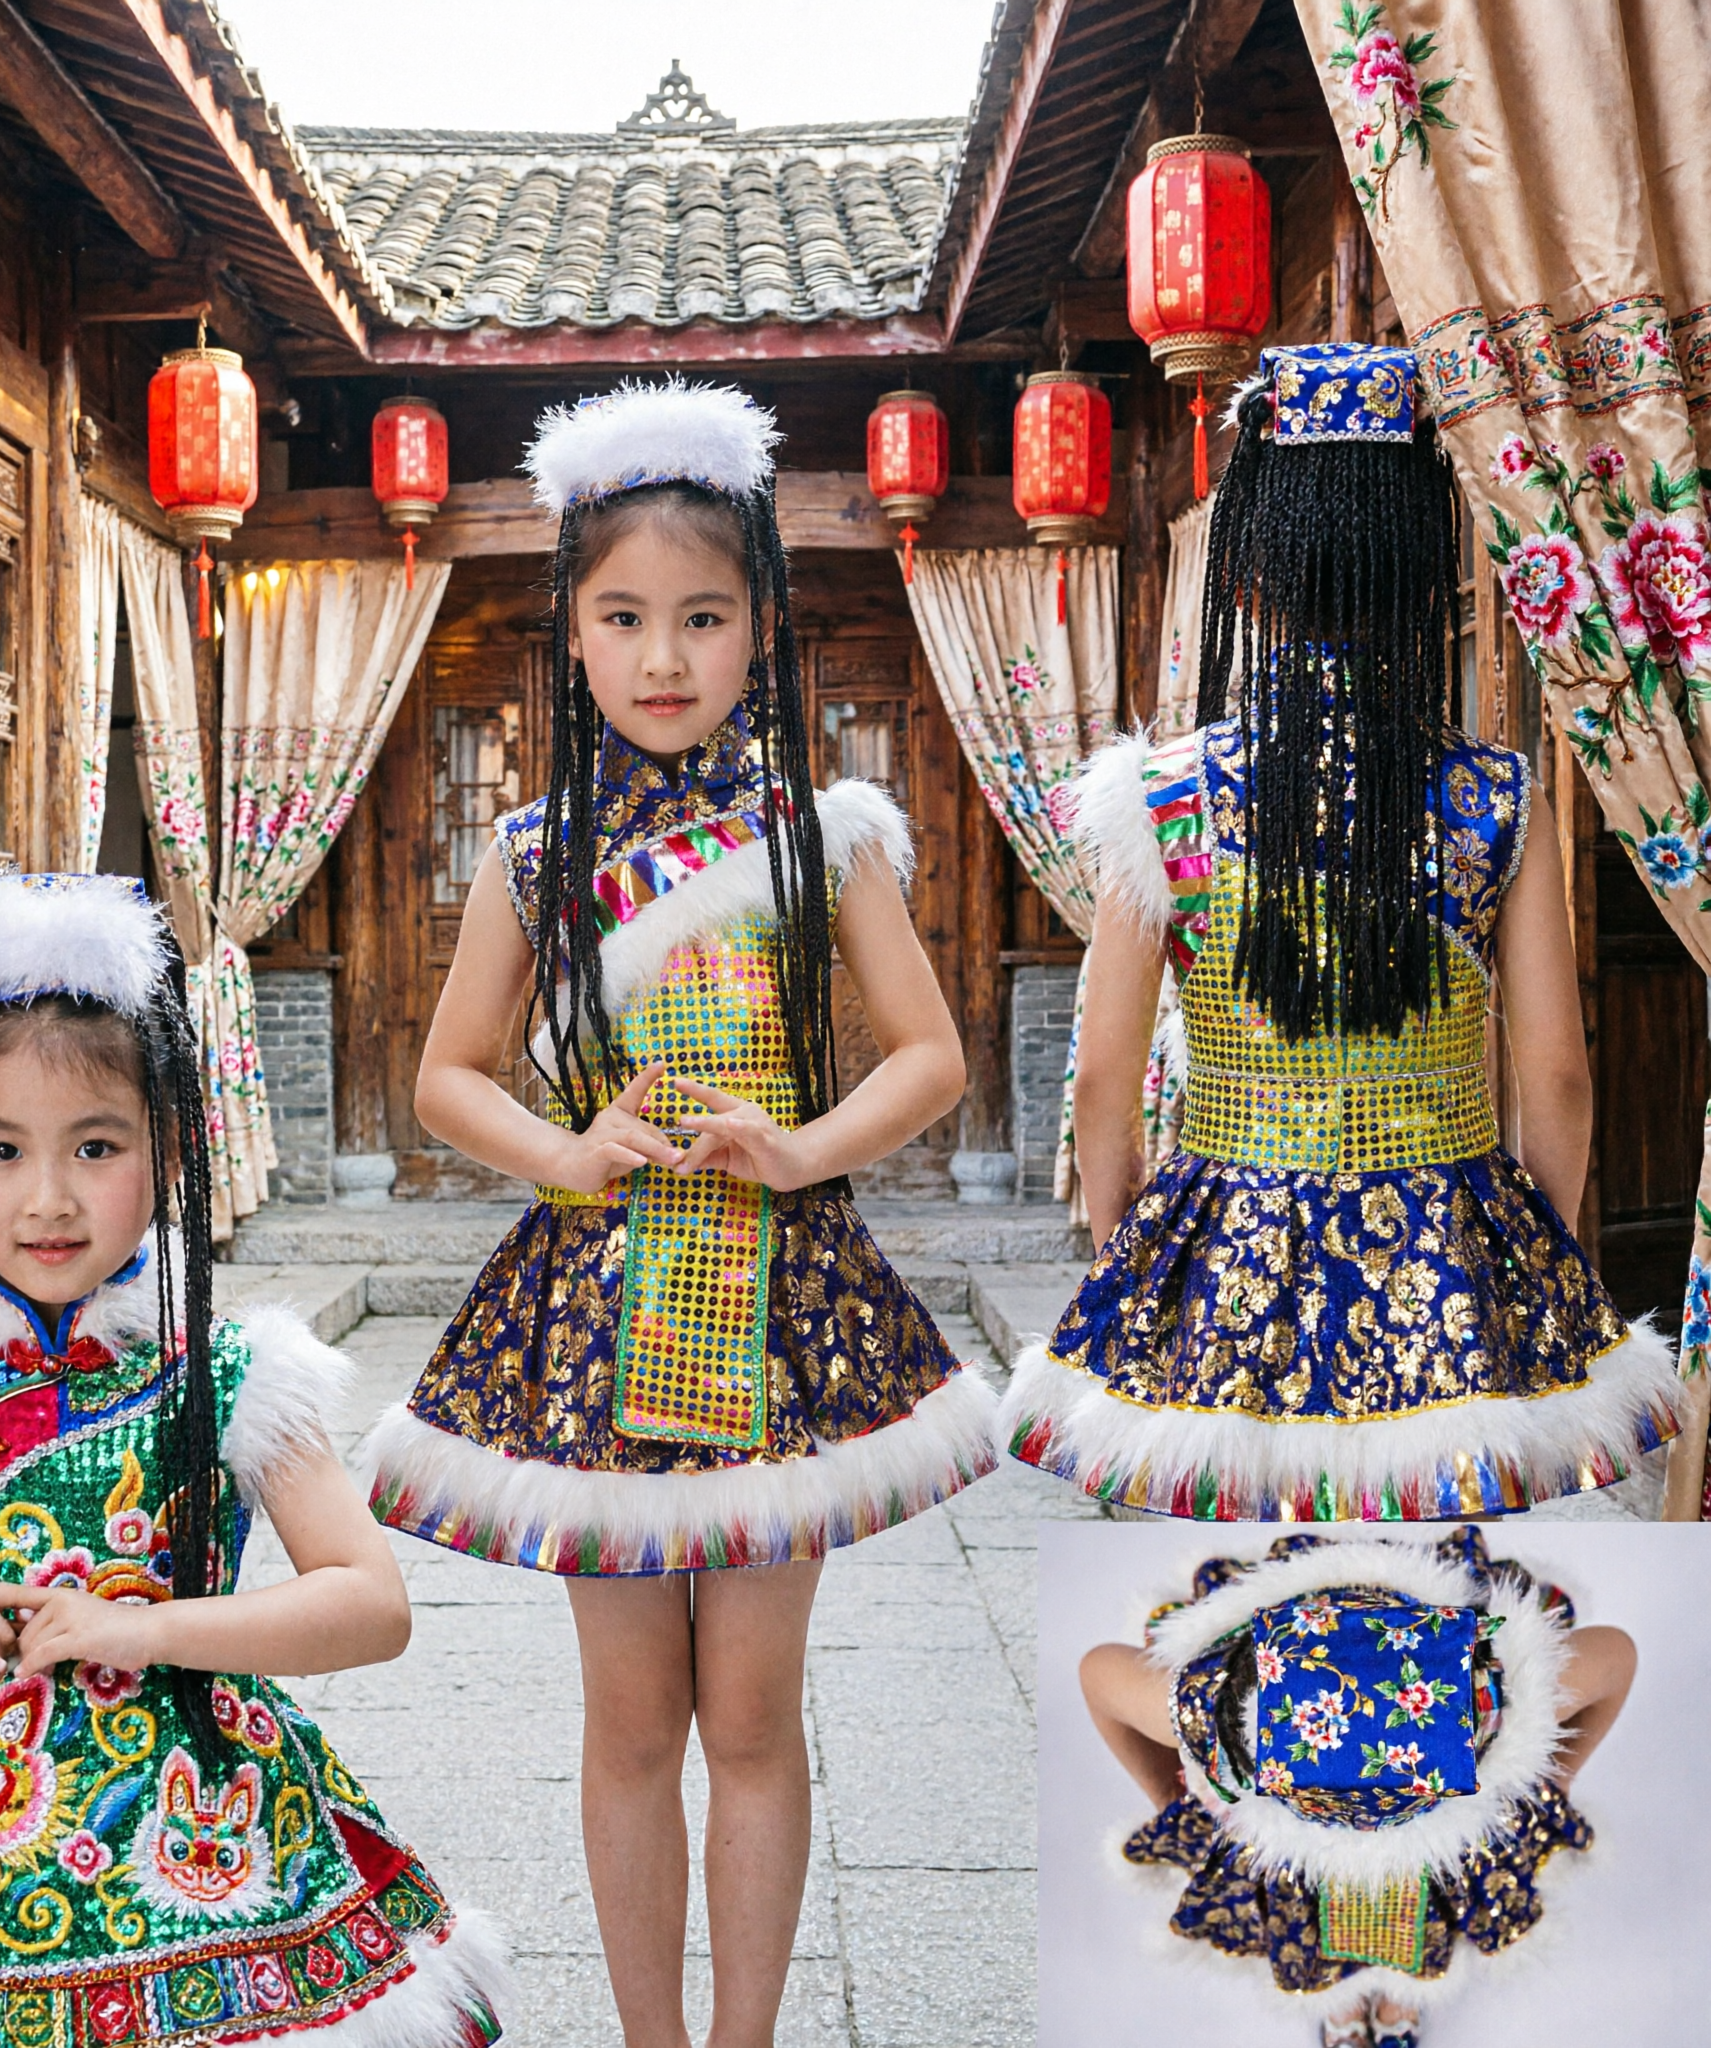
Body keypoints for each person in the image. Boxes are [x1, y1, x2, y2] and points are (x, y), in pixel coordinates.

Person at [363, 380, 994, 2048]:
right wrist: (567, 1156)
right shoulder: (528, 849)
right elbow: (450, 1076)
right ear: (567, 634)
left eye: (701, 618)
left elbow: (927, 1055)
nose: (662, 657)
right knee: (631, 1715)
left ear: (757, 633)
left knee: (753, 1714)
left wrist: (796, 1150)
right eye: (623, 616)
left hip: (775, 1301)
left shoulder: (818, 837)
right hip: (595, 1308)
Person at [0, 873, 507, 2048]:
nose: (48, 1198)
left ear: (168, 1151)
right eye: (0, 1147)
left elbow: (368, 1604)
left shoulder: (235, 1373)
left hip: (185, 1825)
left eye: (96, 1145)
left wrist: (148, 1629)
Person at [1001, 343, 1681, 1520]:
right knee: (1437, 1596)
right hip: (1443, 1256)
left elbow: (1103, 1077)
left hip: (1225, 1247)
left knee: (1241, 1603)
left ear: (1245, 578)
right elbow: (1557, 1075)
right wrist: (1533, 1248)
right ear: (1426, 574)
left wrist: (1128, 1253)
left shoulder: (1158, 800)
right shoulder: (1493, 795)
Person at [1079, 1526, 1636, 2046]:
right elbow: (1617, 1655)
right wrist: (1549, 1782)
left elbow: (1099, 1672)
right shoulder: (1508, 1701)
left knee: (1402, 1917)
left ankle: (1394, 2000)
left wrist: (1176, 1799)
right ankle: (1349, 2004)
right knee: (1343, 1915)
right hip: (1409, 1796)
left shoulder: (1217, 1718)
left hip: (1334, 1810)